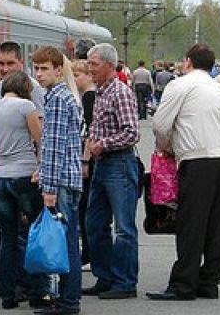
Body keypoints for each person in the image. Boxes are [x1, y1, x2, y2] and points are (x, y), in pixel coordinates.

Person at [147, 43, 220, 301]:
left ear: (187, 62)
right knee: (216, 223)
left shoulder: (181, 85)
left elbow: (161, 124)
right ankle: (209, 281)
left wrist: (166, 149)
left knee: (191, 222)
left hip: (199, 159)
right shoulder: (217, 88)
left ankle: (183, 284)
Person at [0, 71, 48, 310]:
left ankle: (8, 295)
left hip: (1, 177)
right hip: (26, 175)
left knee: (7, 239)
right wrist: (43, 169)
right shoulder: (26, 107)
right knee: (35, 233)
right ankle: (37, 292)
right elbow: (40, 140)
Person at [83, 43, 140, 300]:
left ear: (108, 65)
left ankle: (125, 282)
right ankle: (104, 276)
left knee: (124, 228)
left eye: (93, 64)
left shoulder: (120, 92)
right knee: (94, 224)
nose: (89, 68)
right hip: (102, 164)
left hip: (119, 163)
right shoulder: (100, 92)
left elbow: (132, 132)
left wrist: (102, 144)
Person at [33, 46, 84, 315]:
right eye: (36, 69)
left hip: (61, 182)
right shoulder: (67, 96)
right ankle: (68, 299)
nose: (39, 74)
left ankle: (67, 301)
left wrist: (48, 188)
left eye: (44, 69)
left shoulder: (56, 99)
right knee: (68, 243)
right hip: (70, 179)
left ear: (57, 70)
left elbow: (54, 146)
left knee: (64, 246)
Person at [71, 59, 96, 267]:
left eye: (78, 75)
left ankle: (87, 253)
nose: (75, 79)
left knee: (85, 207)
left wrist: (85, 160)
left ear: (88, 75)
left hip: (87, 157)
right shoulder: (87, 96)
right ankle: (88, 252)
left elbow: (89, 131)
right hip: (87, 156)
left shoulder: (89, 97)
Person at [0, 41, 45, 113]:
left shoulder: (33, 87)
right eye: (1, 63)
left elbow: (39, 119)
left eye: (10, 63)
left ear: (21, 63)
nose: (5, 69)